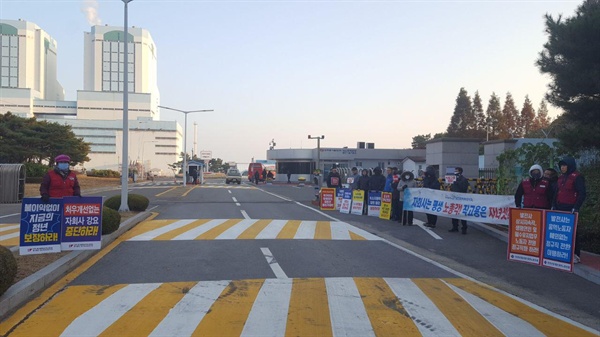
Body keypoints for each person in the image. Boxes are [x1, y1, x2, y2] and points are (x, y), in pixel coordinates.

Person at [553, 156, 586, 263]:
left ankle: (576, 254)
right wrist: (554, 205)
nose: (562, 168)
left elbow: (582, 193)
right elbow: (556, 192)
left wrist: (576, 207)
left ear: (570, 166)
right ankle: (563, 252)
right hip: (560, 206)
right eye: (561, 166)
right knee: (560, 232)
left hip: (570, 208)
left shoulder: (577, 177)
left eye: (564, 166)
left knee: (573, 231)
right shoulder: (561, 177)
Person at [449, 167, 470, 234]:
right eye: (454, 170)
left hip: (461, 199)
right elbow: (452, 188)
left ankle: (464, 228)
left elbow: (463, 188)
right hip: (454, 198)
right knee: (454, 213)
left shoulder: (463, 179)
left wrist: (456, 182)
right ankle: (455, 227)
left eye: (456, 171)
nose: (455, 172)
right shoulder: (454, 179)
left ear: (460, 171)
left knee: (462, 214)